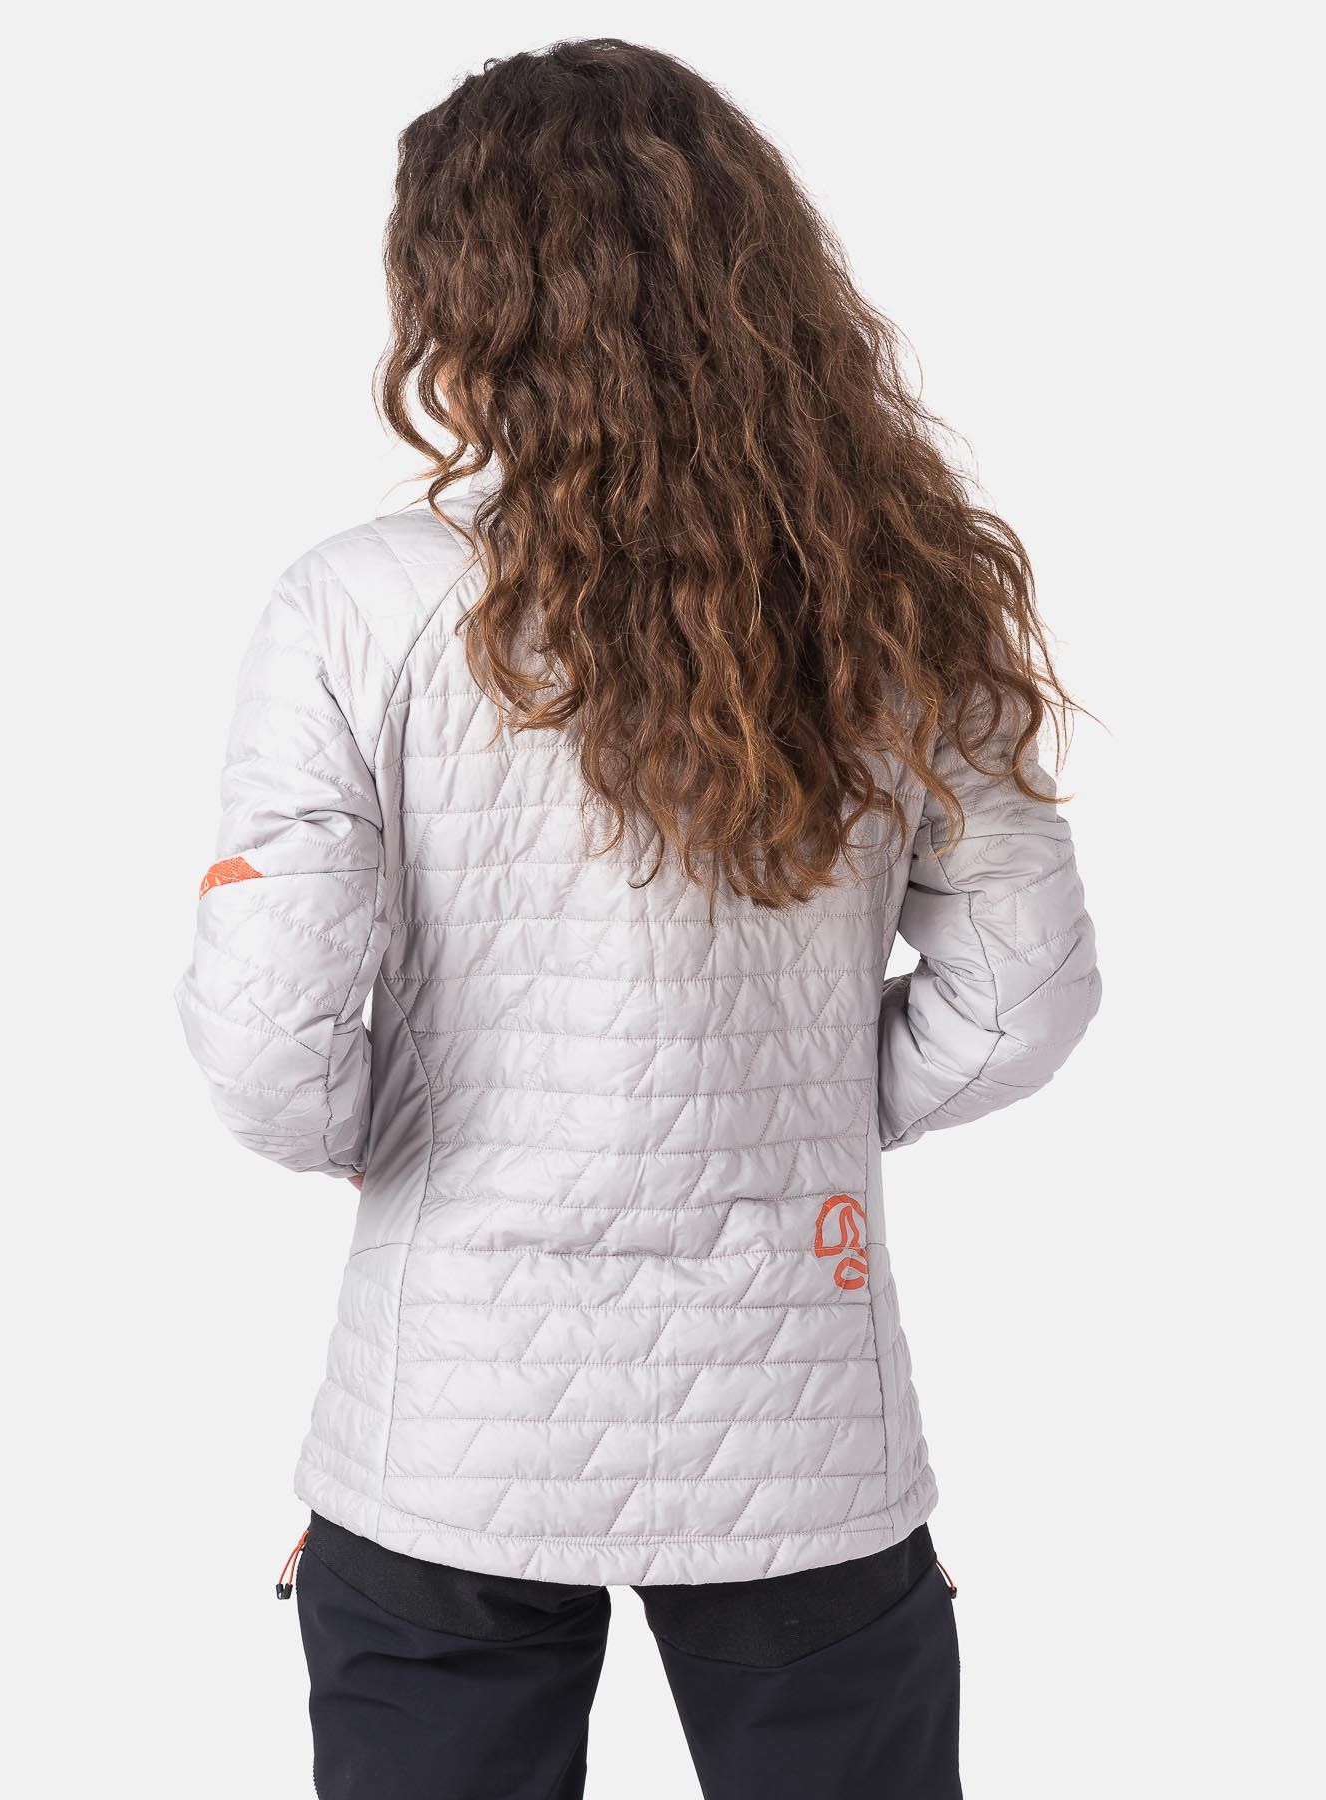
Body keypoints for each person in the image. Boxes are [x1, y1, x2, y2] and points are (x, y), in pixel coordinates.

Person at [177, 37, 1100, 1800]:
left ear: (458, 300)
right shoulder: (894, 599)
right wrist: (807, 1102)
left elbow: (267, 1058)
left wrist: (405, 1130)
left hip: (450, 1427)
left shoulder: (353, 606)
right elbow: (1027, 993)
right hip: (802, 1418)